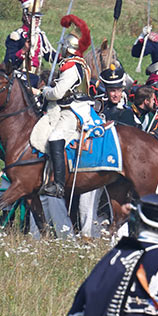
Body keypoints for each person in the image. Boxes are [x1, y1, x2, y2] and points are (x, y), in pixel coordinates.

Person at [39, 15, 92, 197]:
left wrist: (45, 91)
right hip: (72, 107)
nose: (60, 49)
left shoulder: (70, 67)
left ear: (68, 48)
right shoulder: (79, 64)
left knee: (55, 137)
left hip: (74, 110)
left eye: (63, 46)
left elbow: (57, 93)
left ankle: (59, 184)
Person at [4, 0, 55, 72]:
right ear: (25, 16)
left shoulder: (40, 35)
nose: (37, 19)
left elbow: (49, 54)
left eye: (38, 17)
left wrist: (63, 58)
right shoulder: (16, 36)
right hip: (19, 73)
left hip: (37, 72)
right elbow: (9, 60)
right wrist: (23, 50)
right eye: (34, 16)